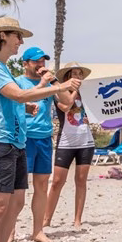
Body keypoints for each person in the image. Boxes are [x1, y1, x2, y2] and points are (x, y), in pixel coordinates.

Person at [0, 17, 79, 242]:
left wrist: (28, 105)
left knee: (15, 203)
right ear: (2, 36)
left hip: (16, 143)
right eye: (17, 36)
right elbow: (17, 95)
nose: (20, 41)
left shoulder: (2, 68)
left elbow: (15, 100)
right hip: (0, 142)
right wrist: (58, 86)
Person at [15, 46, 73, 242]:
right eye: (36, 62)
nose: (41, 65)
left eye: (43, 61)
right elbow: (15, 105)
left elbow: (67, 102)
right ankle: (10, 230)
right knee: (18, 188)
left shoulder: (50, 83)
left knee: (41, 185)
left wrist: (54, 81)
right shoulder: (18, 82)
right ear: (25, 64)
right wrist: (41, 83)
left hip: (45, 137)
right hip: (24, 137)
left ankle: (37, 230)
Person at [45, 62, 96, 229]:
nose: (78, 77)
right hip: (66, 140)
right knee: (57, 181)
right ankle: (46, 218)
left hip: (85, 141)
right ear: (67, 77)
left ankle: (77, 219)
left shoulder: (88, 95)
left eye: (80, 74)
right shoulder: (59, 93)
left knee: (81, 180)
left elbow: (97, 112)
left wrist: (91, 118)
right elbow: (65, 107)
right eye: (74, 73)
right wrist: (73, 90)